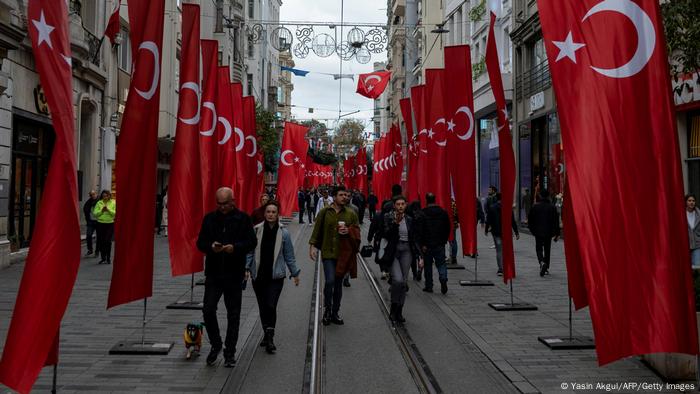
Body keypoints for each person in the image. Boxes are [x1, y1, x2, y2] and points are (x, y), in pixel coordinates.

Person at [197, 187, 257, 367]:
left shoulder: (243, 219)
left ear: (233, 201)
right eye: (219, 204)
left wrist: (235, 247)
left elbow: (251, 242)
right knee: (208, 309)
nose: (222, 207)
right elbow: (200, 242)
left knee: (234, 314)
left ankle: (230, 351)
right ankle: (216, 344)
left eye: (225, 204)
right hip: (214, 273)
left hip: (233, 273)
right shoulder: (209, 219)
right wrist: (211, 246)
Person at [246, 201, 300, 354]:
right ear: (264, 214)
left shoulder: (284, 233)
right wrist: (246, 268)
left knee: (271, 305)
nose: (270, 214)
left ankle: (270, 337)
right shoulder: (256, 231)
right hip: (259, 275)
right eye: (268, 212)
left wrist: (295, 273)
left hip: (276, 277)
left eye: (273, 212)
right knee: (263, 307)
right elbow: (249, 253)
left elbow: (289, 255)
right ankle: (266, 332)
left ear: (278, 214)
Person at [309, 186, 360, 325]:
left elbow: (357, 231)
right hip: (328, 252)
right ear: (334, 196)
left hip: (343, 254)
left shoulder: (351, 213)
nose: (345, 197)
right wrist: (312, 246)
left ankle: (335, 312)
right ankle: (327, 309)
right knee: (330, 281)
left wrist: (348, 230)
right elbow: (317, 230)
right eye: (341, 195)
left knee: (338, 284)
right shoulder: (324, 212)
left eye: (346, 195)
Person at [380, 196, 421, 323]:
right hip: (393, 250)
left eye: (403, 204)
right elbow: (385, 233)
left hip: (407, 250)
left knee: (403, 281)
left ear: (406, 205)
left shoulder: (409, 219)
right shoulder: (388, 216)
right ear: (394, 205)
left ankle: (399, 311)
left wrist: (420, 256)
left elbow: (414, 238)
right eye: (398, 204)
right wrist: (395, 224)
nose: (400, 206)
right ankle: (393, 307)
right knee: (397, 280)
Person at [418, 193, 451, 294]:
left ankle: (429, 286)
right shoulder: (443, 212)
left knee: (428, 265)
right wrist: (444, 240)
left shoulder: (422, 213)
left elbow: (420, 230)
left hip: (427, 245)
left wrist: (422, 244)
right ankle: (443, 278)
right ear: (435, 199)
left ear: (426, 200)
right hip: (439, 244)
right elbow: (447, 227)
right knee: (441, 263)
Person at [485, 192, 520, 276]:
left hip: (496, 232)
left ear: (496, 198)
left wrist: (486, 229)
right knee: (506, 250)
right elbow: (512, 221)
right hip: (506, 232)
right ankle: (507, 267)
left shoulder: (492, 207)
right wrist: (516, 232)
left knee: (499, 251)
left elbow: (488, 219)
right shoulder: (508, 207)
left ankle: (500, 269)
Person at [527, 189, 560, 276]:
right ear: (548, 196)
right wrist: (557, 233)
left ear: (540, 196)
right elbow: (556, 221)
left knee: (538, 248)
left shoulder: (535, 206)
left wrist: (532, 230)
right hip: (549, 232)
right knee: (547, 249)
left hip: (538, 231)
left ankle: (541, 262)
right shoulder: (552, 207)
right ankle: (546, 267)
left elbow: (530, 220)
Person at [93, 190, 116, 264]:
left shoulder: (113, 202)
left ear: (109, 196)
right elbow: (95, 214)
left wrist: (108, 210)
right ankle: (103, 257)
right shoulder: (99, 203)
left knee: (108, 241)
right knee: (101, 241)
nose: (105, 197)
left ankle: (108, 258)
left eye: (106, 196)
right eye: (103, 196)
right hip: (100, 224)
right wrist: (102, 211)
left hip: (110, 224)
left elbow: (115, 214)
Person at [406, 200, 424, 281]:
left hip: (413, 239)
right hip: (421, 239)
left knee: (413, 257)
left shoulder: (410, 215)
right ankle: (420, 270)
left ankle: (414, 273)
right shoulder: (423, 215)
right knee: (421, 256)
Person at [82, 190, 98, 256]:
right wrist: (88, 221)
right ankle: (90, 249)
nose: (93, 196)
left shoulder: (100, 201)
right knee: (88, 235)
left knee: (99, 237)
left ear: (96, 194)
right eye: (91, 195)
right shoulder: (88, 203)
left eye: (94, 194)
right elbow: (85, 210)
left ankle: (97, 251)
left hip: (99, 221)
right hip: (91, 222)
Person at [686, 194, 700, 268]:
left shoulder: (699, 214)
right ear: (686, 202)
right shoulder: (681, 214)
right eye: (689, 200)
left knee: (697, 268)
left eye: (693, 201)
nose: (691, 202)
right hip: (685, 245)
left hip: (697, 245)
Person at [448, 199, 459, 265]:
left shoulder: (445, 202)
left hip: (446, 224)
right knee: (453, 240)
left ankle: (450, 257)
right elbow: (456, 215)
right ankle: (453, 257)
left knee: (450, 241)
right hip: (453, 224)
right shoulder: (454, 203)